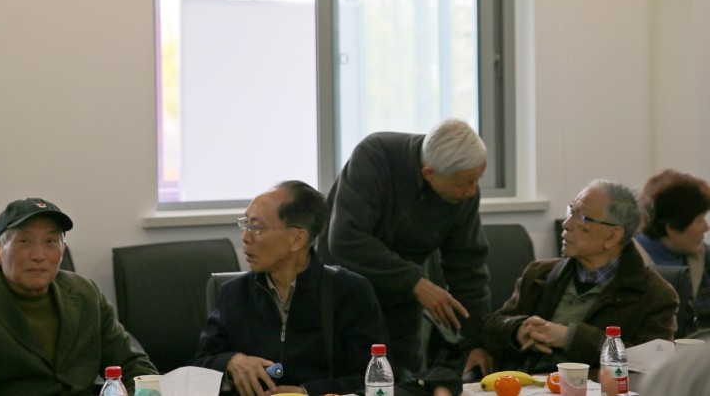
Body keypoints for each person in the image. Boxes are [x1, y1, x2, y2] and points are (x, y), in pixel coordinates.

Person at [316, 119, 492, 377]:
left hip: (403, 305)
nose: (472, 191)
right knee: (349, 383)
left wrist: (476, 343)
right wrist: (414, 281)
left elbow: (468, 268)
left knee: (406, 383)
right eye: (464, 183)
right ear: (429, 173)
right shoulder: (375, 155)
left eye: (477, 179)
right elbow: (346, 239)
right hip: (343, 297)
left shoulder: (463, 189)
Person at [0, 198, 157, 395]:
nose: (39, 255)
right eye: (24, 241)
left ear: (63, 249)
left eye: (50, 242)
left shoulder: (85, 293)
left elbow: (134, 366)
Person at [190, 180, 393, 396]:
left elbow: (374, 378)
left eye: (256, 227)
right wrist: (231, 362)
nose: (245, 237)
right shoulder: (234, 293)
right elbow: (197, 369)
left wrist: (307, 392)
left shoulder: (349, 292)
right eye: (245, 224)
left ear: (297, 239)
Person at [483, 180, 679, 375]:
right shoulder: (539, 273)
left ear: (612, 236)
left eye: (581, 217)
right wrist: (517, 330)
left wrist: (570, 337)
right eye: (571, 211)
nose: (566, 224)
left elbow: (650, 363)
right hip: (525, 384)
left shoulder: (655, 294)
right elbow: (493, 326)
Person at [633, 169, 710, 331]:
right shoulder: (627, 261)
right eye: (699, 220)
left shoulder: (705, 256)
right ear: (672, 227)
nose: (706, 228)